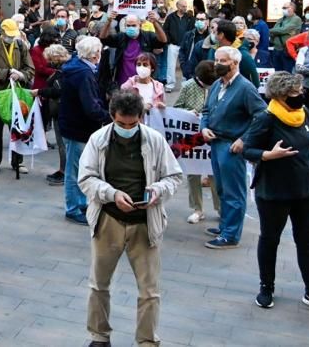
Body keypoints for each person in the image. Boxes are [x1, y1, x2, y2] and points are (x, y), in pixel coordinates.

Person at [78, 89, 183, 347]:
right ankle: (99, 336)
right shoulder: (98, 139)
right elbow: (86, 178)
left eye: (132, 124)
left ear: (141, 118)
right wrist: (111, 194)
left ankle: (147, 341)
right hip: (108, 220)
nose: (127, 128)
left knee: (149, 291)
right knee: (98, 284)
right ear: (112, 117)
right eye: (121, 123)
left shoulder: (155, 141)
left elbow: (174, 176)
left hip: (145, 223)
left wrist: (158, 190)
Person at [242, 72, 309, 315]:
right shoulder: (266, 119)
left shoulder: (304, 114)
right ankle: (266, 287)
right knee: (270, 239)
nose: (300, 96)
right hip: (274, 192)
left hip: (304, 191)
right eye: (294, 94)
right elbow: (247, 150)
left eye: (300, 91)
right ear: (280, 96)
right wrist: (267, 155)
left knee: (307, 242)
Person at [200, 46, 266, 249]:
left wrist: (244, 139)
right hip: (216, 142)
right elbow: (206, 110)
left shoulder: (245, 88)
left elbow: (262, 115)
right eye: (216, 60)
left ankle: (230, 234)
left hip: (231, 146)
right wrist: (204, 128)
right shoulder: (217, 85)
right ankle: (225, 225)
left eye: (222, 61)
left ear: (234, 63)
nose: (216, 64)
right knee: (221, 188)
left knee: (233, 191)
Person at [57, 36, 111, 225]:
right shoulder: (83, 74)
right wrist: (107, 116)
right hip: (77, 127)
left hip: (75, 125)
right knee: (74, 171)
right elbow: (90, 105)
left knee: (79, 168)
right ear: (95, 54)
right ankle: (73, 207)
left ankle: (80, 203)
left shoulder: (77, 67)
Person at [0, 17, 35, 174]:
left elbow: (30, 68)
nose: (11, 38)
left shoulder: (21, 45)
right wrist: (7, 73)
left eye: (14, 35)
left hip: (17, 92)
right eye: (9, 35)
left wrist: (21, 75)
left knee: (18, 127)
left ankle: (18, 162)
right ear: (2, 32)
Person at [174, 60, 220, 225]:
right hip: (191, 138)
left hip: (212, 135)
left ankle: (220, 208)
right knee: (193, 173)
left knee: (214, 172)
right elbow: (176, 108)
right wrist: (188, 112)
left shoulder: (218, 87)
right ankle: (197, 209)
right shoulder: (187, 86)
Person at [97, 10, 168, 93]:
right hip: (123, 81)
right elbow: (103, 38)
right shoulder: (121, 37)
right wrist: (108, 21)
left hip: (143, 80)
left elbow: (163, 41)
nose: (131, 28)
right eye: (128, 25)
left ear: (140, 25)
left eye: (134, 25)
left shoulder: (148, 36)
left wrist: (155, 23)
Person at [33, 44, 70, 186]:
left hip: (62, 110)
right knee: (62, 143)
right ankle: (63, 169)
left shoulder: (63, 72)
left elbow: (57, 91)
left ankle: (65, 171)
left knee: (63, 143)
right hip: (58, 109)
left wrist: (40, 92)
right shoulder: (61, 70)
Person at [163, 0, 194, 88]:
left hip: (185, 46)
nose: (185, 8)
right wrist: (168, 41)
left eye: (186, 6)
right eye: (183, 6)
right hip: (173, 45)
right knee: (171, 66)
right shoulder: (170, 17)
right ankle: (170, 84)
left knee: (185, 64)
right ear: (177, 6)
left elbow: (192, 30)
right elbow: (166, 30)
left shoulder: (189, 18)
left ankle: (185, 85)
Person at [269, 2, 302, 72]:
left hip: (287, 49)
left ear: (292, 8)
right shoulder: (281, 19)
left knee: (287, 72)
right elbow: (275, 30)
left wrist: (272, 30)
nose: (283, 10)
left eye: (285, 8)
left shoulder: (296, 19)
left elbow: (283, 30)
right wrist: (274, 31)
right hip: (276, 49)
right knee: (277, 72)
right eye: (283, 8)